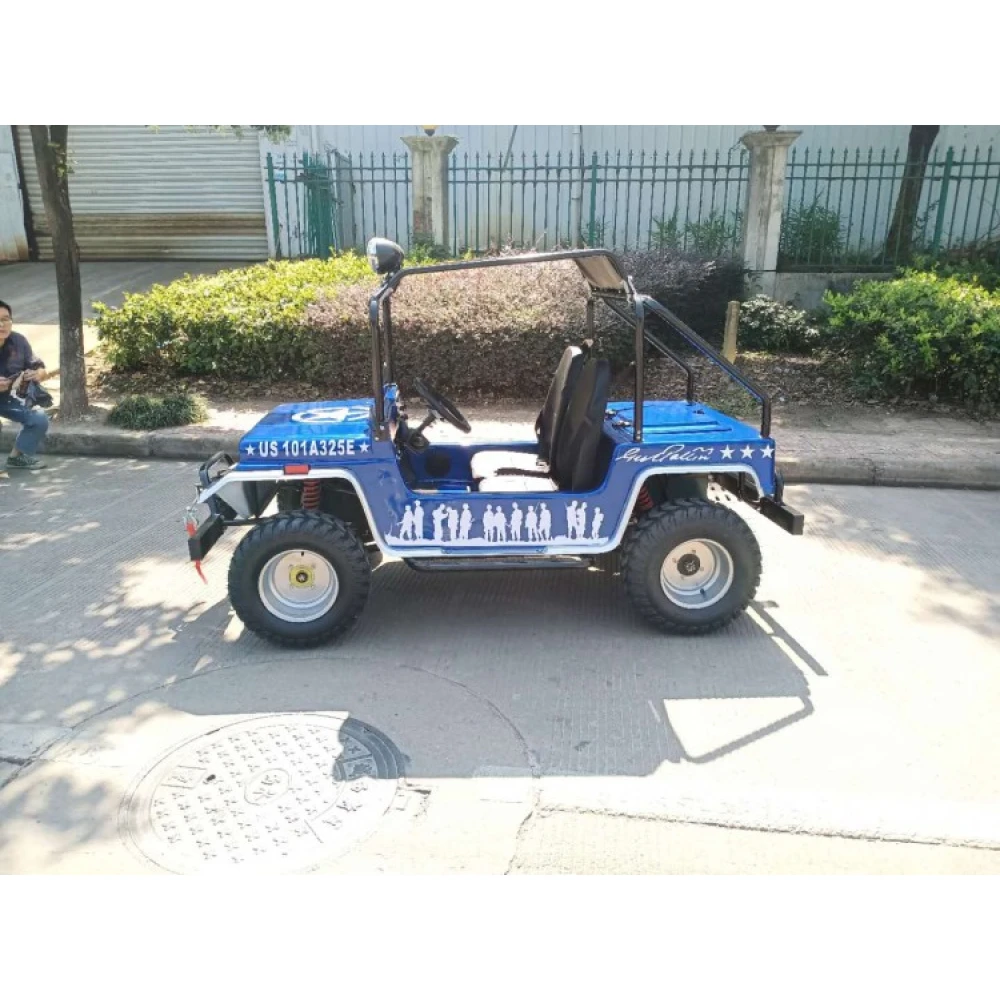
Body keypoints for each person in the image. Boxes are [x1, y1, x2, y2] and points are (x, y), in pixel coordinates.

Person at [0, 299, 49, 470]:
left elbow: (40, 367)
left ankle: (17, 457)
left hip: (9, 397)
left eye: (5, 319)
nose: (2, 325)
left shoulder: (18, 341)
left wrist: (38, 374)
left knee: (39, 418)